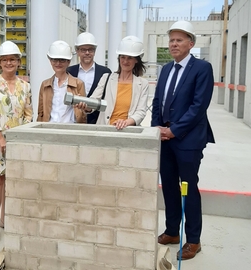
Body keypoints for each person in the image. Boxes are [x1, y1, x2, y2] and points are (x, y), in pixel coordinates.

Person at [150, 21, 215, 260]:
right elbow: (158, 101)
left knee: (188, 189)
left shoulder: (202, 68)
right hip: (165, 139)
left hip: (187, 140)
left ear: (191, 43)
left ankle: (194, 240)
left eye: (179, 40)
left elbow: (199, 107)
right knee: (168, 186)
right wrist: (157, 128)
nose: (174, 44)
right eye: (171, 40)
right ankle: (172, 231)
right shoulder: (166, 69)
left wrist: (174, 130)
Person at [0, 41, 32, 246]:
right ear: (0, 63)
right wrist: (1, 138)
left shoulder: (25, 86)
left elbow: (28, 114)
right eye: (5, 60)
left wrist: (19, 137)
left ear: (19, 62)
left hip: (16, 141)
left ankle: (5, 217)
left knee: (11, 180)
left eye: (12, 59)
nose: (9, 63)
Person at [77, 36, 149, 130]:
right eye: (123, 57)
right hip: (105, 131)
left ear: (136, 60)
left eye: (130, 58)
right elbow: (94, 101)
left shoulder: (143, 84)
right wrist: (85, 105)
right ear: (119, 58)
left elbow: (141, 112)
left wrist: (126, 122)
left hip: (128, 132)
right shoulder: (106, 78)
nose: (125, 61)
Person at [37, 40, 86, 123]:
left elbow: (83, 114)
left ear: (68, 62)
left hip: (70, 131)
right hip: (49, 130)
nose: (58, 63)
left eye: (62, 60)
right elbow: (40, 113)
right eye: (54, 60)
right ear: (50, 61)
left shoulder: (78, 84)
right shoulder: (45, 85)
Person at [67, 32, 111, 124]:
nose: (87, 53)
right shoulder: (69, 71)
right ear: (77, 51)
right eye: (83, 50)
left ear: (94, 51)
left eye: (90, 49)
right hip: (74, 121)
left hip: (97, 122)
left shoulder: (105, 72)